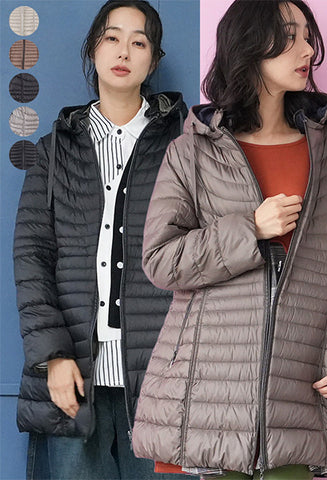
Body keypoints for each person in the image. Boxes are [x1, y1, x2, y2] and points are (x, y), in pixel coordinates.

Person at [131, 1, 327, 479]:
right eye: (290, 36)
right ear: (249, 43)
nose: (307, 50)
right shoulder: (192, 152)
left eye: (308, 37)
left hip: (304, 401)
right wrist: (249, 229)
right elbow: (161, 260)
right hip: (206, 403)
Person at [13, 1, 193, 479]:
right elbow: (32, 258)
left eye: (139, 42)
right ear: (93, 49)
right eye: (112, 37)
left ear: (153, 60)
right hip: (74, 378)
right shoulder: (54, 150)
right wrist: (53, 356)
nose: (124, 51)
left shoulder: (185, 145)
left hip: (162, 380)